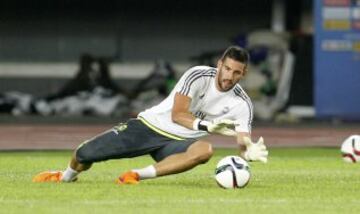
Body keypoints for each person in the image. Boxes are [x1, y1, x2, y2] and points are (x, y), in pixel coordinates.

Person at [32, 46, 269, 184]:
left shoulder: (243, 103)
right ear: (220, 64)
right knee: (84, 154)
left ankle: (135, 176)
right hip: (149, 126)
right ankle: (65, 177)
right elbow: (178, 115)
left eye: (236, 72)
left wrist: (248, 151)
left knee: (205, 150)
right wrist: (207, 126)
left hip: (177, 142)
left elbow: (242, 140)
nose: (229, 76)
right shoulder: (198, 75)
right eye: (226, 68)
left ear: (244, 73)